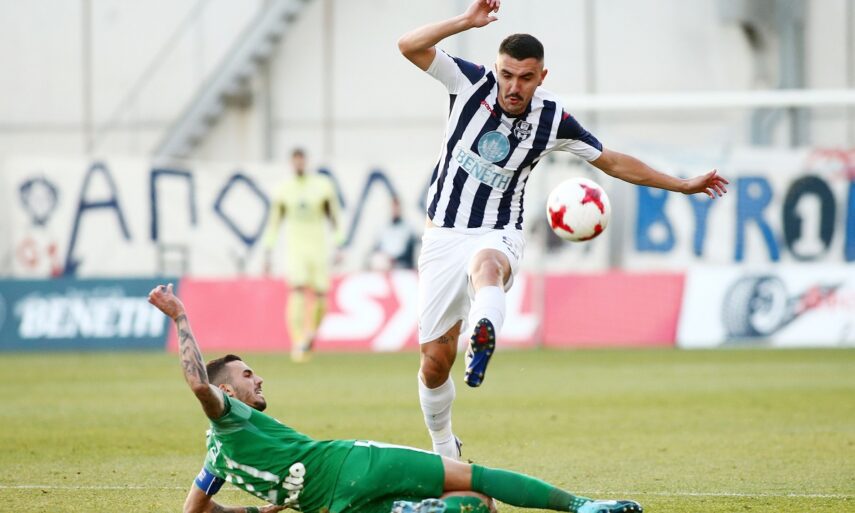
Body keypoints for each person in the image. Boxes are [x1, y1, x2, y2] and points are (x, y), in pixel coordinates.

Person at [397, 0, 729, 458]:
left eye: (525, 78)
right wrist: (466, 22)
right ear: (497, 69)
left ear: (542, 77)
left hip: (499, 230)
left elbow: (611, 161)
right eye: (507, 75)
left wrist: (681, 184)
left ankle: (484, 331)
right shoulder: (468, 81)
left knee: (487, 266)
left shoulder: (553, 118)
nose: (514, 86)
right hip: (442, 235)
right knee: (434, 364)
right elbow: (408, 45)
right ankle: (445, 447)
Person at [147, 283, 644, 513]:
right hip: (355, 463)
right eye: (247, 375)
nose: (259, 380)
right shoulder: (228, 416)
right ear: (227, 391)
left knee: (475, 509)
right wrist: (181, 317)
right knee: (477, 482)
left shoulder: (216, 457)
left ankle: (419, 512)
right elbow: (198, 384)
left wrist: (262, 510)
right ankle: (584, 507)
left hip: (335, 507)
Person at [263, 148, 343, 362]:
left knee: (321, 297)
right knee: (297, 290)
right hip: (296, 249)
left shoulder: (322, 186)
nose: (298, 164)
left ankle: (310, 335)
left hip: (318, 248)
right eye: (295, 161)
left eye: (301, 160)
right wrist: (268, 250)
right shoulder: (284, 190)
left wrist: (339, 244)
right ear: (291, 163)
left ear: (305, 162)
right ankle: (298, 342)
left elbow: (333, 216)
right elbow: (274, 222)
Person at [368, 197, 418, 271]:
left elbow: (408, 253)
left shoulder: (408, 228)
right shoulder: (384, 228)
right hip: (385, 262)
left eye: (396, 208)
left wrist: (395, 260)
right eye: (393, 208)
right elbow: (378, 248)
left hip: (401, 265)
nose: (395, 210)